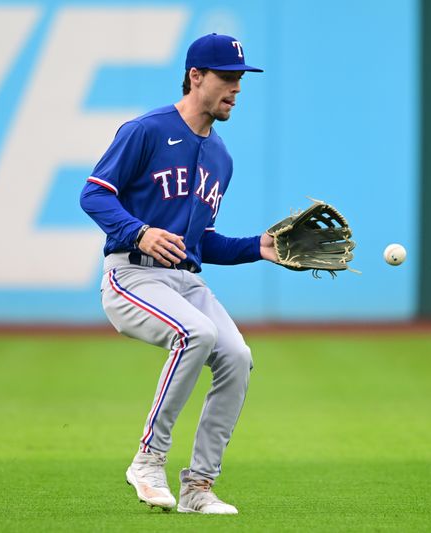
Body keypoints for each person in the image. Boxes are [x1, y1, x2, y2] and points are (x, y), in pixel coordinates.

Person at [80, 33, 275, 515]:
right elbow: (94, 194)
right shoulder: (145, 130)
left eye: (240, 80)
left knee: (236, 355)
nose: (236, 88)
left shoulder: (221, 158)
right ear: (195, 76)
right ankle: (148, 461)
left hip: (185, 280)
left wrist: (259, 248)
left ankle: (199, 486)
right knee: (196, 332)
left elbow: (198, 242)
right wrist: (138, 231)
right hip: (132, 275)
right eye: (227, 78)